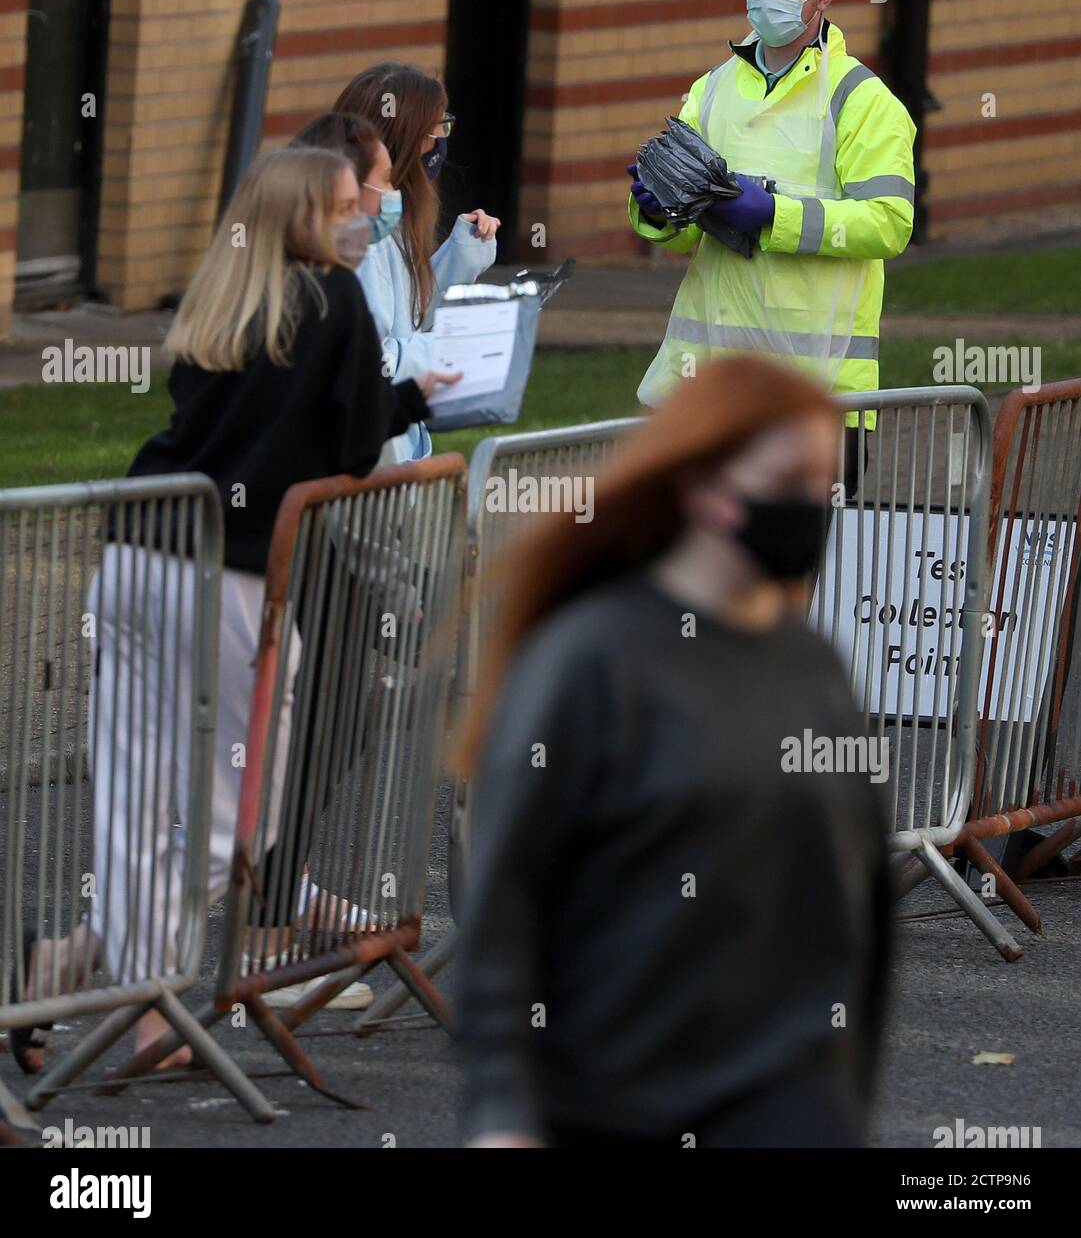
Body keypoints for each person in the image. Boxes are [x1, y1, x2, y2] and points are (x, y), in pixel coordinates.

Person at [12, 145, 457, 1074]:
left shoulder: (226, 297)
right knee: (231, 830)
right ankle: (134, 1001)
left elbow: (267, 415)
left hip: (139, 554)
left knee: (136, 808)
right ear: (304, 215)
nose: (360, 215)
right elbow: (347, 442)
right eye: (344, 201)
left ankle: (104, 990)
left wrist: (394, 396)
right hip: (228, 577)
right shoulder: (330, 298)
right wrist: (413, 400)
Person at [455, 355, 892, 1148]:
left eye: (827, 481)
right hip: (611, 1102)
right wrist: (502, 1117)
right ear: (704, 487)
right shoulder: (589, 661)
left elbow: (859, 915)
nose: (814, 505)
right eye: (791, 478)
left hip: (783, 1109)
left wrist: (841, 1100)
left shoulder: (815, 669)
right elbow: (506, 907)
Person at [629, 0, 916, 489]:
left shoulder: (862, 100)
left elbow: (889, 223)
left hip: (817, 391)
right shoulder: (711, 88)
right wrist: (657, 214)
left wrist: (774, 217)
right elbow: (684, 234)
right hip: (709, 387)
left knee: (806, 573)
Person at [332, 62, 501, 463]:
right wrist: (458, 346)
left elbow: (410, 318)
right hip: (374, 459)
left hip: (391, 443)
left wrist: (460, 257)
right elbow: (377, 359)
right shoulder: (362, 240)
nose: (443, 140)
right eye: (435, 128)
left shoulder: (390, 225)